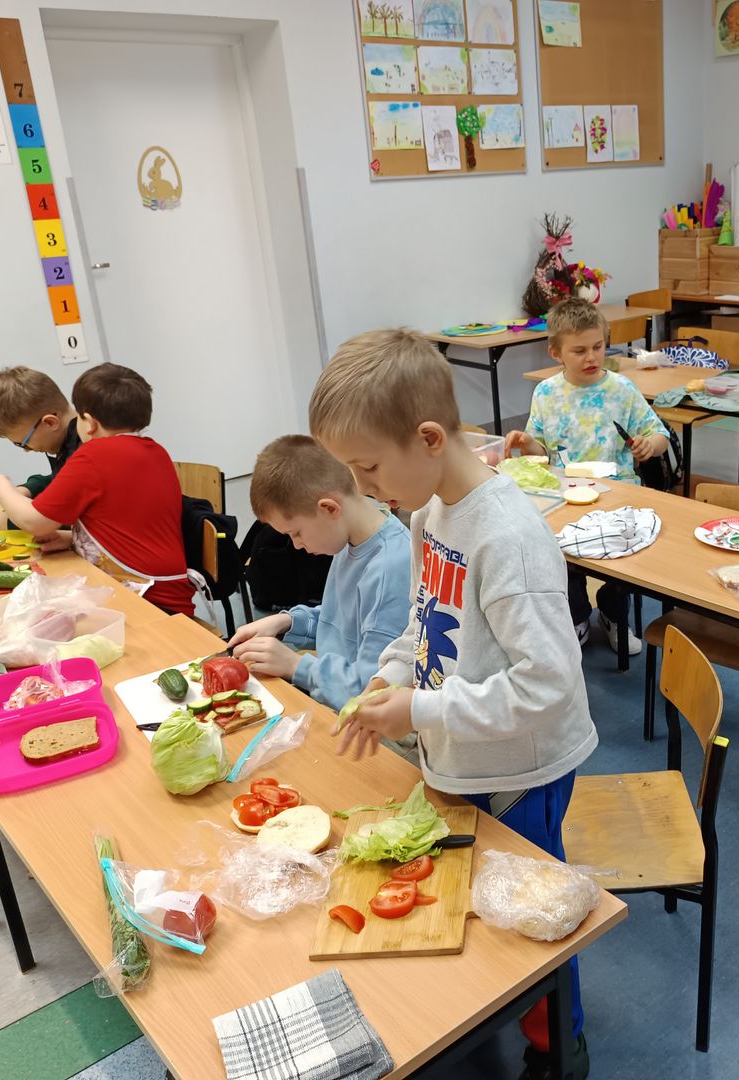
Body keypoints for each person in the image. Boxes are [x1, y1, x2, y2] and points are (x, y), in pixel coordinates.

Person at [308, 329, 598, 1080]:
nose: (364, 486)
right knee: (476, 904)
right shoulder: (428, 515)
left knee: (532, 920)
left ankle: (558, 1047)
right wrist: (390, 676)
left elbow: (547, 686)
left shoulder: (507, 537)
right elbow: (423, 621)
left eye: (370, 467)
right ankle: (496, 1011)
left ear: (430, 438)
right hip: (464, 752)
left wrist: (421, 712)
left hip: (521, 770)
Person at [504, 297, 669, 654]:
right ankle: (577, 616)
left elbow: (659, 435)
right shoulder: (547, 393)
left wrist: (649, 445)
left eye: (598, 346)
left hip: (619, 493)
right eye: (579, 351)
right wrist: (528, 443)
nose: (592, 357)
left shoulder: (621, 389)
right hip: (567, 495)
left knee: (621, 557)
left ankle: (613, 614)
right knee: (560, 556)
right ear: (556, 353)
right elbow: (543, 452)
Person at [0, 362, 196, 616]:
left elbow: (34, 521)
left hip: (147, 601)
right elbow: (129, 526)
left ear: (89, 423)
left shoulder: (93, 454)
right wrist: (74, 539)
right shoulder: (156, 452)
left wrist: (0, 485)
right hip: (173, 596)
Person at [225, 435, 411, 714]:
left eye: (296, 533)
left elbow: (371, 688)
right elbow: (344, 620)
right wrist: (287, 622)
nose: (296, 545)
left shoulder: (390, 567)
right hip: (333, 698)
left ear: (329, 508)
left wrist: (296, 666)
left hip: (362, 718)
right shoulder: (352, 537)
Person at [0, 366, 82, 498]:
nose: (26, 450)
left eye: (24, 443)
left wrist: (1, 490)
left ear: (50, 422)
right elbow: (61, 479)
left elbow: (66, 495)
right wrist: (29, 489)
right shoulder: (70, 440)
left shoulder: (86, 452)